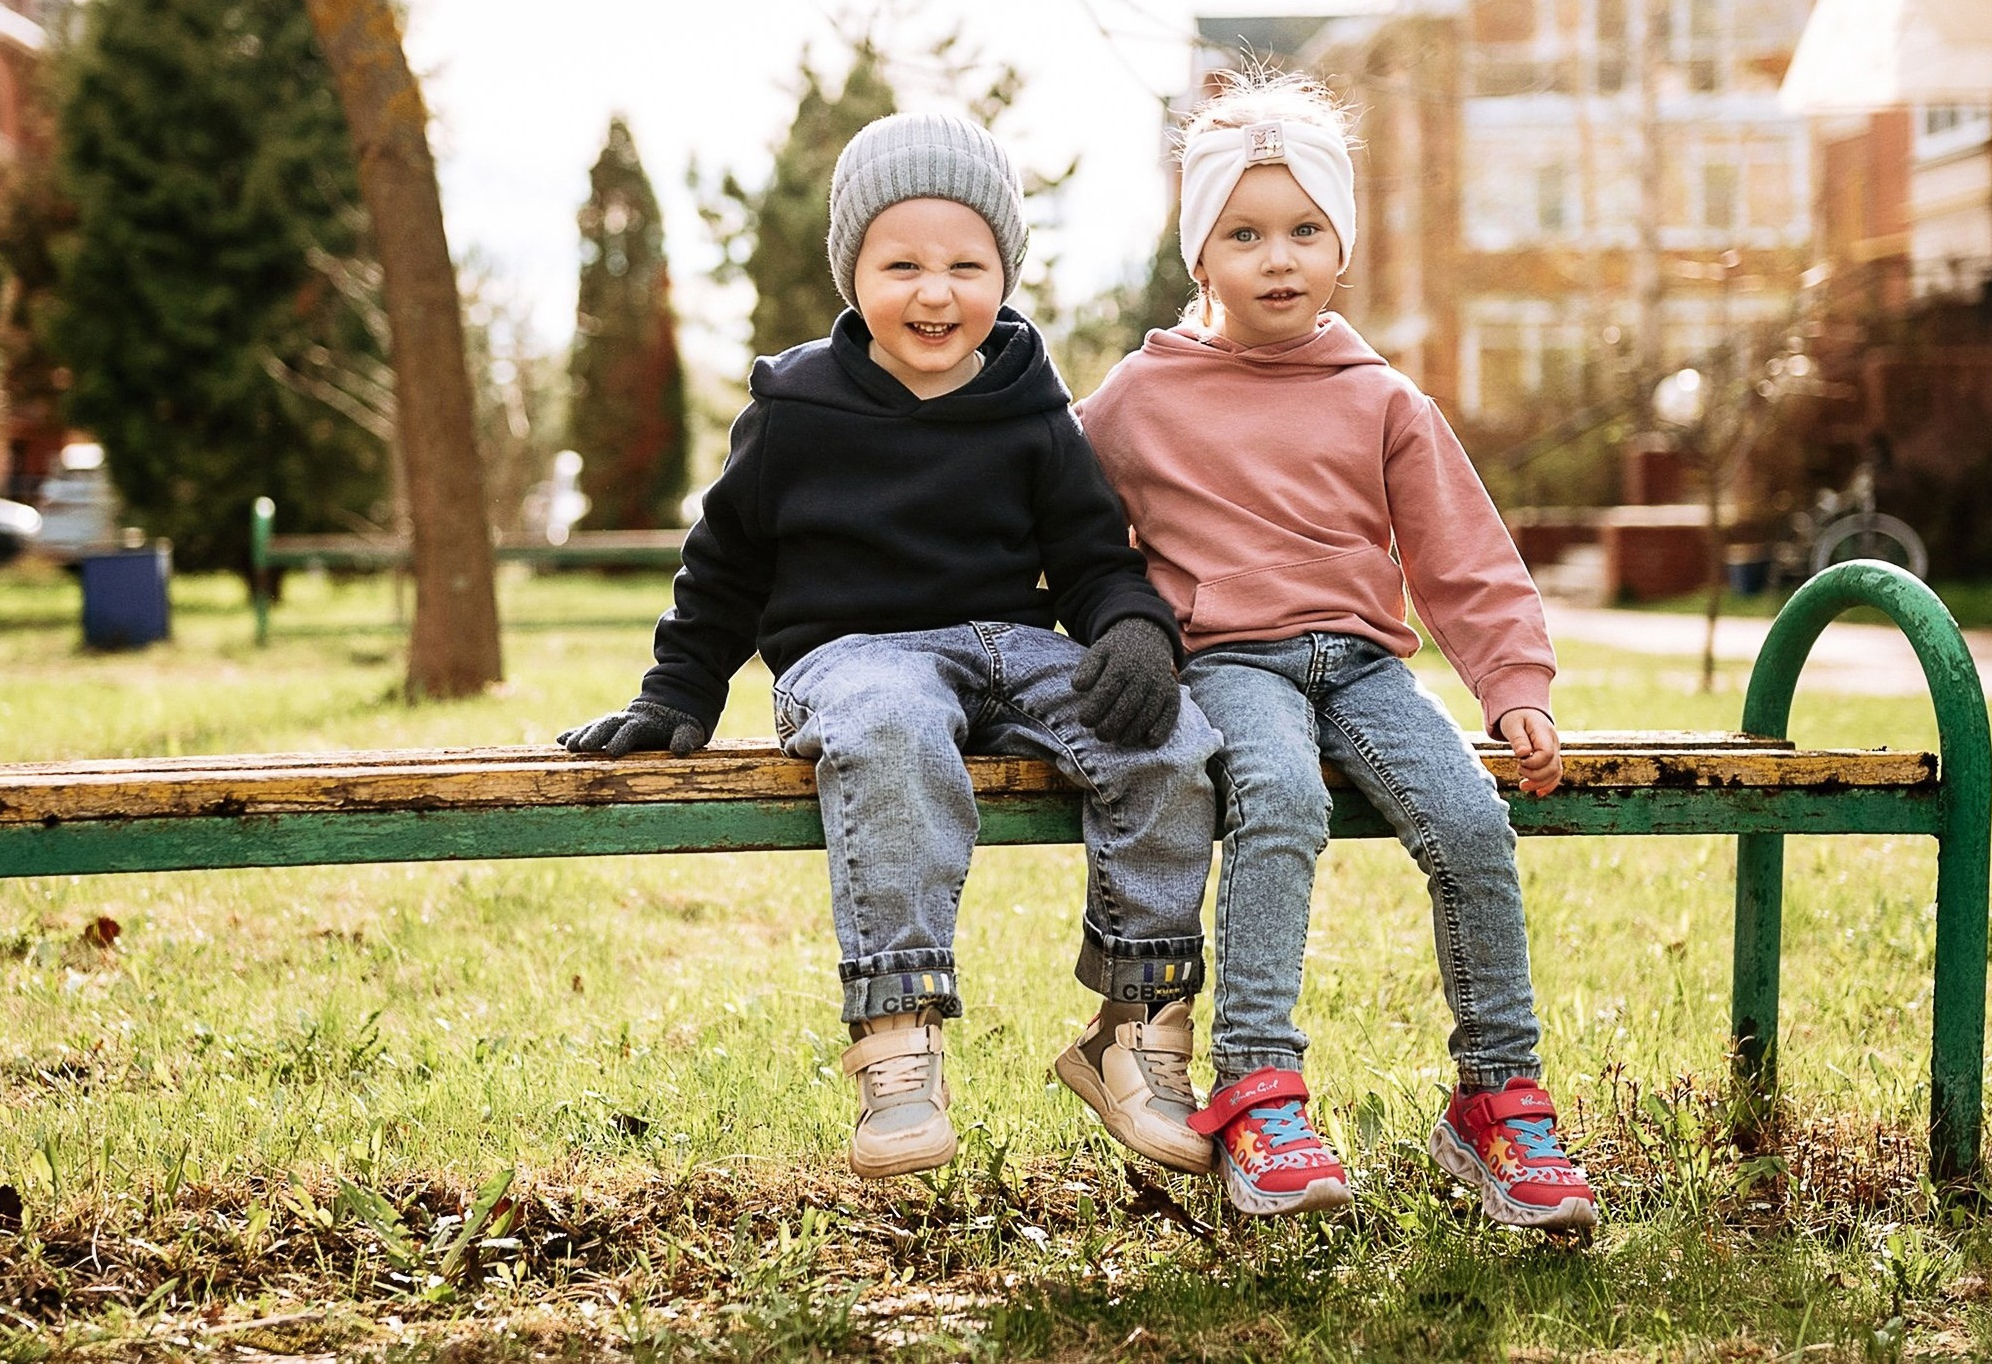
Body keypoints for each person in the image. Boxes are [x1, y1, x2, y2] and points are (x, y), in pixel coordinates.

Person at [562, 111, 1223, 1181]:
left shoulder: (1032, 404)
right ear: (853, 270)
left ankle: (1134, 1025)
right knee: (894, 725)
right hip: (853, 656)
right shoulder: (797, 407)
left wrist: (1135, 629)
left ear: (1004, 273)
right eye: (901, 264)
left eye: (967, 265)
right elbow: (725, 561)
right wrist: (677, 687)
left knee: (1169, 738)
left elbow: (1094, 559)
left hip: (1008, 648)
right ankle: (897, 1034)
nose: (935, 292)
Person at [1077, 71, 1600, 1230]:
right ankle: (1257, 1090)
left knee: (1470, 821)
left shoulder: (1380, 397)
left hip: (1362, 666)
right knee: (1278, 797)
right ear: (1199, 252)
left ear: (1340, 245)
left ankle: (1497, 1101)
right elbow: (1056, 521)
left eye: (1305, 230)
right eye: (1244, 234)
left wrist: (1513, 682)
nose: (1278, 258)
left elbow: (1461, 551)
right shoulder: (1140, 395)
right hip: (1230, 663)